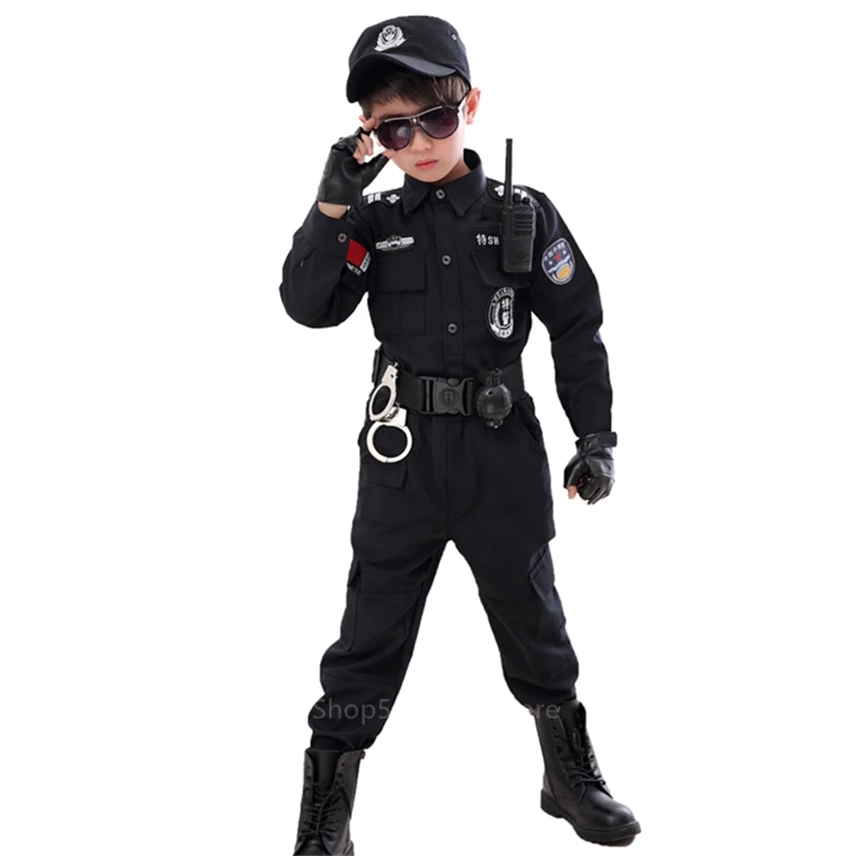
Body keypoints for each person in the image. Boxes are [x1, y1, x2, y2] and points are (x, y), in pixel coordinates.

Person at [279, 15, 640, 854]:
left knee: (532, 615)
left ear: (470, 105)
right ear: (369, 134)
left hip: (499, 453)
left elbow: (577, 327)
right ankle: (328, 805)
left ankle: (567, 773)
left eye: (435, 118)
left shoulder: (522, 214)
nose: (418, 142)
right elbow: (309, 306)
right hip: (401, 458)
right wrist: (332, 202)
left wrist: (596, 437)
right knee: (369, 633)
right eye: (392, 129)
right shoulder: (369, 222)